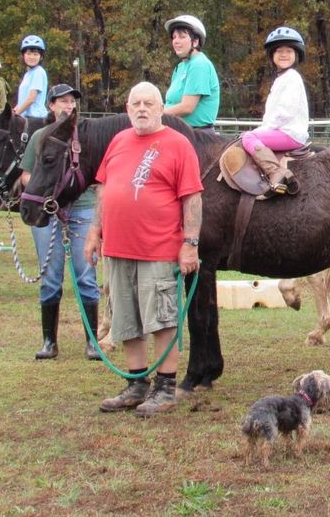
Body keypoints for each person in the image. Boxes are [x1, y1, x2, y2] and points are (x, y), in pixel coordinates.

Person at [85, 82, 202, 417]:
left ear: (160, 107)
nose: (141, 109)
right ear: (127, 108)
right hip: (118, 249)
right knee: (127, 318)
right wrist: (95, 230)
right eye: (135, 103)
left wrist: (190, 244)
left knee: (162, 318)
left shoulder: (178, 145)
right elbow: (105, 189)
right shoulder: (119, 142)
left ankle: (165, 387)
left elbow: (192, 197)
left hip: (159, 248)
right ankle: (137, 384)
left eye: (148, 103)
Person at [20, 83, 102, 361]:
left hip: (83, 209)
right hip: (50, 212)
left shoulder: (86, 136)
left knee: (86, 275)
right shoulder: (40, 137)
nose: (68, 106)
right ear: (51, 106)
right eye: (62, 101)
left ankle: (92, 342)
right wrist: (50, 198)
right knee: (50, 277)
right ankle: (49, 341)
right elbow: (27, 177)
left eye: (71, 102)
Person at [240, 26, 309, 195]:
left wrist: (261, 130)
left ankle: (275, 172)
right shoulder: (281, 79)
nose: (284, 54)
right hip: (283, 131)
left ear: (297, 54)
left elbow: (285, 112)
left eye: (288, 51)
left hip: (289, 133)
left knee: (248, 137)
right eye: (279, 51)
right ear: (272, 55)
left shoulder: (292, 77)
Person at [162, 14, 221, 131]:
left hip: (196, 136)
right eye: (174, 37)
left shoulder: (199, 64)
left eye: (182, 37)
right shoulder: (180, 67)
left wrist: (156, 114)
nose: (176, 41)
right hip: (179, 131)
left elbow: (187, 107)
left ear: (195, 41)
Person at [14, 35, 49, 120]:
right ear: (23, 55)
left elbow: (31, 99)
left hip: (35, 119)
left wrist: (16, 115)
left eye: (35, 54)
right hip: (25, 118)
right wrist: (16, 108)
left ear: (41, 57)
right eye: (28, 54)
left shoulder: (38, 72)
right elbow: (24, 98)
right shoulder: (28, 74)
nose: (32, 57)